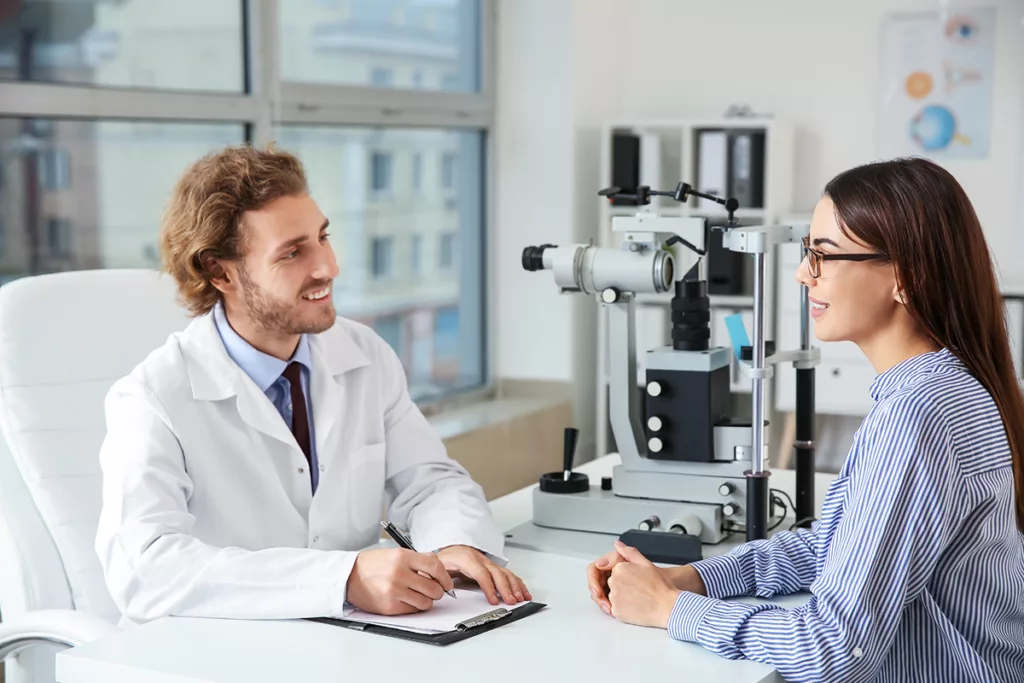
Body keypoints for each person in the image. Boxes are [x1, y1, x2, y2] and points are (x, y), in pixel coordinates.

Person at [586, 158, 1024, 682]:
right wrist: (693, 579)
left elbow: (835, 649)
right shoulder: (943, 385)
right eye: (806, 252)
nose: (802, 273)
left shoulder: (917, 416)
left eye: (825, 255)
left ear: (906, 276)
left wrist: (669, 611)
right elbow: (832, 545)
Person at [95, 144, 530, 625]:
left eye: (322, 237)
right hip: (210, 652)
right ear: (220, 272)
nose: (328, 267)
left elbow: (428, 481)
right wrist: (341, 580)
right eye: (293, 253)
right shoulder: (153, 398)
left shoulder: (363, 354)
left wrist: (453, 543)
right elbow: (146, 568)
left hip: (345, 642)